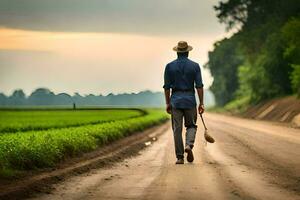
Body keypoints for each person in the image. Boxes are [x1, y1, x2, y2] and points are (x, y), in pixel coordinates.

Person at [163, 41, 204, 164]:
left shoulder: (169, 66)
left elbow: (166, 87)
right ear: (187, 52)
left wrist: (168, 103)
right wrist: (201, 103)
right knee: (191, 125)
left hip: (175, 100)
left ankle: (180, 157)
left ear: (177, 52)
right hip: (190, 100)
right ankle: (188, 145)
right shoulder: (195, 66)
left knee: (177, 129)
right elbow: (199, 86)